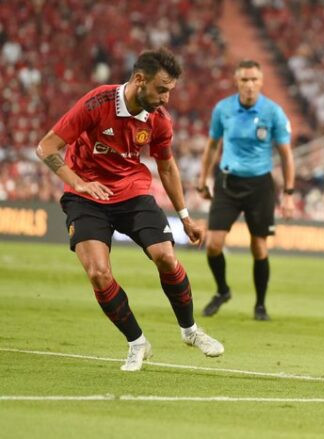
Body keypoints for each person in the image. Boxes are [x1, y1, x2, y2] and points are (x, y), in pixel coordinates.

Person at [36, 48, 224, 372]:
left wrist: (185, 217)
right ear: (140, 80)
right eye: (162, 89)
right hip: (87, 198)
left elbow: (166, 167)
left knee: (165, 256)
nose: (166, 98)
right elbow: (46, 147)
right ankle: (137, 343)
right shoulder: (97, 103)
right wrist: (77, 182)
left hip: (132, 194)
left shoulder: (159, 121)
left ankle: (190, 331)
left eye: (170, 91)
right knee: (98, 273)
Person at [197, 59, 295, 321]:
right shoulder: (223, 109)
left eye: (254, 80)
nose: (249, 85)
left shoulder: (273, 112)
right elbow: (212, 145)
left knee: (259, 248)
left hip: (260, 185)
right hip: (227, 182)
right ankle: (222, 290)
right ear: (236, 81)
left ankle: (260, 305)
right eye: (244, 80)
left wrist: (288, 193)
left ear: (261, 82)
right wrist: (202, 178)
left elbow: (286, 155)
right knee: (213, 244)